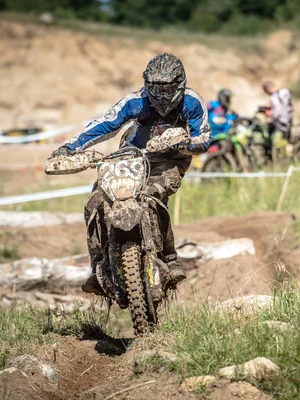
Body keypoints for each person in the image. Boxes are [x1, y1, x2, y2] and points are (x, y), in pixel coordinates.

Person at [50, 53, 211, 294]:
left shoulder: (192, 102)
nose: (162, 95)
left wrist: (182, 144)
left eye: (168, 89)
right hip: (133, 155)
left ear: (179, 85)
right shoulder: (135, 101)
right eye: (156, 89)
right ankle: (97, 267)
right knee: (95, 201)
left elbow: (204, 138)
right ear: (148, 85)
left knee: (153, 195)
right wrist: (69, 147)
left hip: (170, 159)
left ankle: (169, 258)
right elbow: (105, 125)